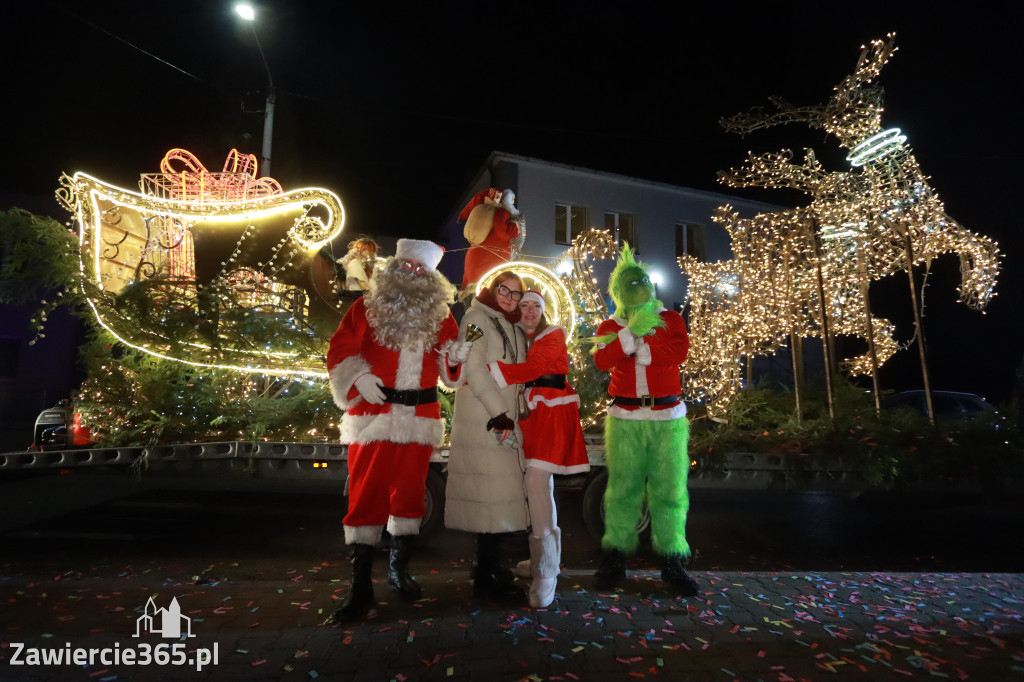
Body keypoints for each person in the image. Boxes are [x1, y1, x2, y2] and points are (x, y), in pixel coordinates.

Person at [325, 239, 471, 624]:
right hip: (373, 416)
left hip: (420, 417)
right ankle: (360, 587)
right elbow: (338, 350)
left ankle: (398, 571)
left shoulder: (441, 318)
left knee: (409, 497)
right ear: (392, 269)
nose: (411, 274)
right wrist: (359, 376)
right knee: (366, 494)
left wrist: (453, 359)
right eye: (405, 267)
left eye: (419, 270)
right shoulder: (365, 308)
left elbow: (449, 368)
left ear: (431, 278)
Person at [591, 243, 699, 597]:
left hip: (668, 417)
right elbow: (602, 360)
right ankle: (615, 556)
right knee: (622, 490)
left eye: (643, 280)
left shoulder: (671, 319)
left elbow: (680, 352)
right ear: (619, 291)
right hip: (625, 418)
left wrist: (644, 350)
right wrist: (631, 334)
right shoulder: (610, 324)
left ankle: (671, 559)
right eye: (630, 282)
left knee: (670, 491)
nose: (639, 286)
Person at [486, 290, 590, 607]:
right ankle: (543, 559)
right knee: (537, 485)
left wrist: (491, 368)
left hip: (554, 413)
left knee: (535, 481)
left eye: (536, 306)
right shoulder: (522, 339)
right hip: (533, 416)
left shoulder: (553, 333)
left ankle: (546, 572)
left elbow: (535, 370)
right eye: (525, 305)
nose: (530, 310)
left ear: (544, 311)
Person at [444, 271, 530, 602]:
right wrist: (499, 413)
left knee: (495, 499)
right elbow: (474, 368)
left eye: (516, 294)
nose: (509, 297)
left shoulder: (512, 323)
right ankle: (486, 575)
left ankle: (489, 566)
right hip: (487, 419)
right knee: (489, 498)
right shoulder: (478, 317)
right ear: (492, 290)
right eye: (504, 290)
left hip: (502, 420)